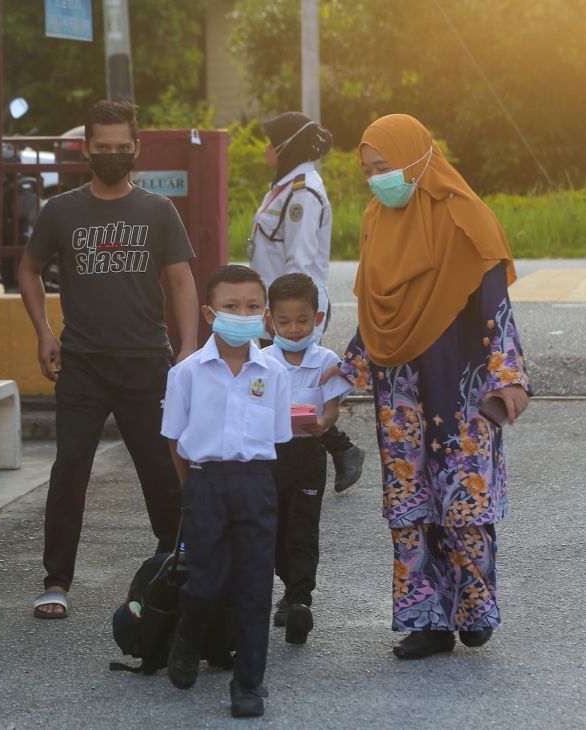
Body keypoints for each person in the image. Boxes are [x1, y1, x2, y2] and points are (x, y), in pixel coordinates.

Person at [328, 114, 530, 659]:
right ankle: (427, 620)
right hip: (399, 390)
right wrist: (343, 375)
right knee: (411, 503)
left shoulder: (466, 218)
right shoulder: (376, 218)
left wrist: (507, 377)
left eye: (385, 167)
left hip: (460, 386)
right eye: (368, 171)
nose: (376, 180)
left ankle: (475, 609)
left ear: (417, 158)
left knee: (462, 503)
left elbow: (495, 311)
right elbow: (376, 312)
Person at [17, 100, 199, 619]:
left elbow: (182, 280)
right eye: (104, 148)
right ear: (86, 149)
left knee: (164, 471)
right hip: (82, 365)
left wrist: (187, 349)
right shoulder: (62, 211)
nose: (113, 155)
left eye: (123, 148)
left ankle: (174, 566)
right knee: (70, 468)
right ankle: (55, 581)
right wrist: (43, 332)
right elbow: (28, 271)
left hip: (146, 362)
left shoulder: (157, 211)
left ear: (136, 149)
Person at [161, 265, 292, 718]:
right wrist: (192, 489)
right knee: (206, 581)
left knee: (255, 587)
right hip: (205, 483)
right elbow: (175, 439)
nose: (243, 314)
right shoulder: (187, 372)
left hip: (256, 483)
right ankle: (187, 638)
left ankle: (248, 684)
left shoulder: (274, 372)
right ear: (209, 312)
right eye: (231, 307)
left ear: (266, 314)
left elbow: (277, 437)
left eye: (253, 307)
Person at [247, 111, 365, 493]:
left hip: (291, 306)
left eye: (270, 143)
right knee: (283, 385)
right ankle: (332, 451)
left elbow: (299, 259)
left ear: (286, 146)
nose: (265, 151)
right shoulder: (285, 186)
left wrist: (284, 315)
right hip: (275, 307)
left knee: (285, 384)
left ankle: (331, 452)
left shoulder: (303, 193)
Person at [261, 273, 352, 644]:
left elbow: (331, 410)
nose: (294, 329)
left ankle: (300, 600)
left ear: (317, 318)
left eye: (302, 320)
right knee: (274, 529)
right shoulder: (262, 360)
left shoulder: (326, 360)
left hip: (308, 455)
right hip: (270, 456)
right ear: (270, 320)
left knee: (303, 528)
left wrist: (323, 423)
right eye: (284, 321)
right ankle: (286, 585)